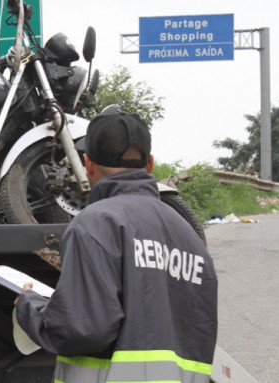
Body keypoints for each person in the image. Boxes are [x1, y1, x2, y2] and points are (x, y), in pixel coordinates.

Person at [14, 105, 217, 383]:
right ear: (150, 164)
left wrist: (29, 307)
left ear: (88, 165)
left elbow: (83, 329)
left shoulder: (95, 224)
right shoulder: (188, 236)